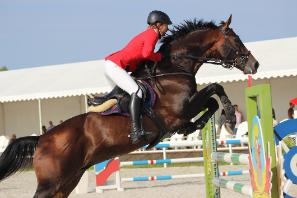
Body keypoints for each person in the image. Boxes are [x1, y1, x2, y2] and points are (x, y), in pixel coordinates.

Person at [91, 10, 172, 144]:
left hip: (113, 65)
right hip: (115, 66)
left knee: (124, 98)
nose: (167, 29)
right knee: (137, 92)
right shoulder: (152, 34)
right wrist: (159, 57)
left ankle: (117, 119)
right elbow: (147, 54)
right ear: (158, 24)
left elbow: (140, 57)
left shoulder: (147, 34)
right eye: (166, 25)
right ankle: (136, 131)